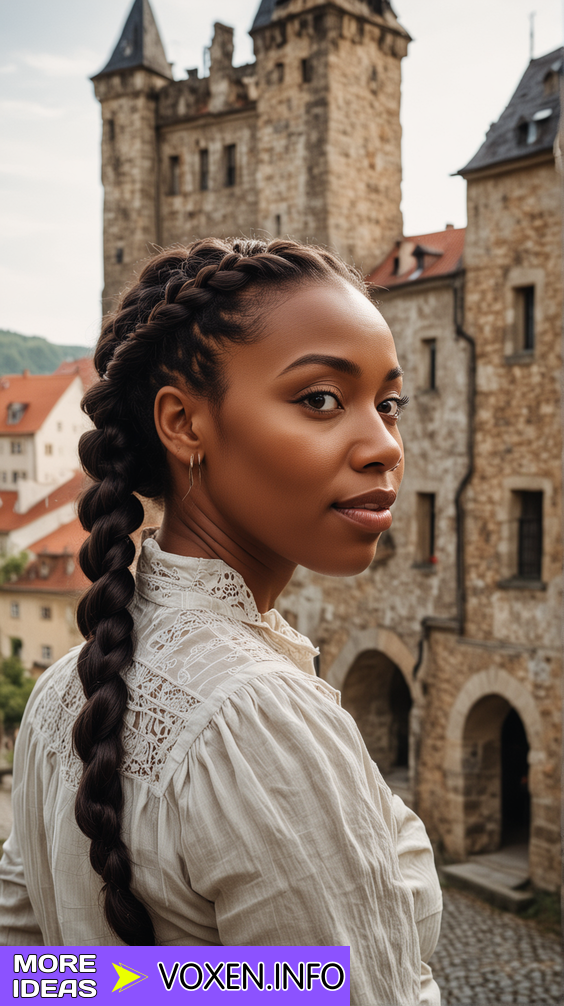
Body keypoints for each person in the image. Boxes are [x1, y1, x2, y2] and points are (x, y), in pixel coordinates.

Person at [0, 238, 442, 1004]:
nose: (383, 447)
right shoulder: (257, 716)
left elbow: (31, 973)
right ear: (184, 424)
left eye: (388, 403)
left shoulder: (56, 699)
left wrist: (159, 985)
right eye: (321, 400)